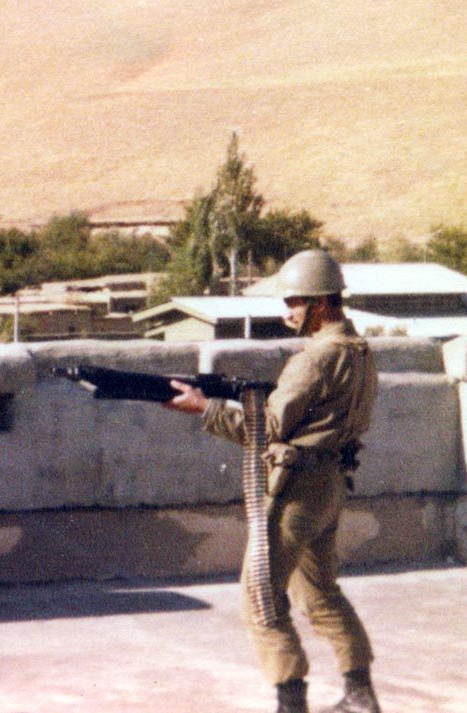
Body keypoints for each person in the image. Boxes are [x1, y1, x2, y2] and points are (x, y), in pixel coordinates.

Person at [166, 249, 381, 713]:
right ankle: (360, 695)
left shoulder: (316, 358)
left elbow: (267, 428)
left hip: (296, 489)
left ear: (319, 303)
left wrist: (205, 409)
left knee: (260, 597)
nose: (288, 312)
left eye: (294, 302)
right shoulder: (360, 352)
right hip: (330, 483)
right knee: (319, 592)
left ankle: (290, 702)